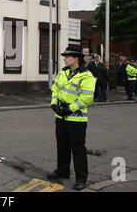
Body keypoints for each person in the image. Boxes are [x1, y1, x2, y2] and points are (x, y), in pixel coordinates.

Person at [47, 46, 96, 191]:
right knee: (62, 145)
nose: (64, 58)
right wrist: (54, 104)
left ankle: (81, 178)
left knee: (78, 148)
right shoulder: (63, 72)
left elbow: (86, 98)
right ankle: (63, 171)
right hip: (61, 115)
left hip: (76, 118)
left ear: (76, 59)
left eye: (67, 56)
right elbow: (55, 88)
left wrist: (69, 109)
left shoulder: (87, 76)